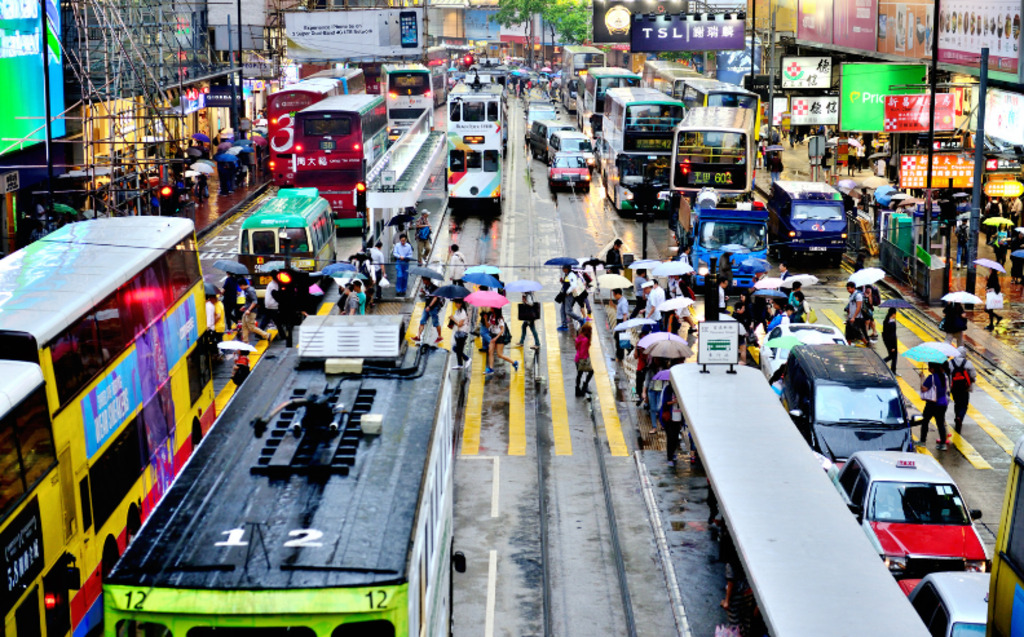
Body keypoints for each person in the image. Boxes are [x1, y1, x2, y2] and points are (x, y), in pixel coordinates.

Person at [919, 362, 950, 451]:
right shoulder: (944, 376)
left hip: (932, 403)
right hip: (942, 403)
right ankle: (943, 444)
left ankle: (922, 441)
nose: (928, 369)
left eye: (929, 368)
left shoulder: (931, 377)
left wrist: (921, 379)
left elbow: (924, 388)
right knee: (940, 424)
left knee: (925, 421)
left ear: (933, 369)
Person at [949, 347, 976, 436]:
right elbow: (973, 375)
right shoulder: (968, 363)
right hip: (965, 388)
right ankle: (960, 417)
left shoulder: (951, 363)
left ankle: (957, 416)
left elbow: (948, 374)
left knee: (957, 403)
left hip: (954, 387)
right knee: (964, 404)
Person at [238, 279, 269, 343]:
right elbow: (249, 301)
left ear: (243, 285)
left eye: (240, 286)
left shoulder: (250, 291)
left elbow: (255, 301)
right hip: (247, 310)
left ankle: (266, 335)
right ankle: (245, 341)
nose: (240, 288)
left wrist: (249, 309)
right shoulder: (246, 290)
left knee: (251, 327)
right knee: (244, 326)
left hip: (251, 312)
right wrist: (244, 307)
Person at [661, 382, 684, 467]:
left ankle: (673, 453)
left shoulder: (681, 390)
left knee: (675, 438)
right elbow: (664, 403)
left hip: (678, 418)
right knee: (670, 438)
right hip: (669, 418)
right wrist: (674, 401)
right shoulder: (668, 389)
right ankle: (669, 458)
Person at [414, 278, 444, 343]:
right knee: (422, 321)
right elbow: (428, 295)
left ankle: (439, 336)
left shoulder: (434, 287)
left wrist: (430, 306)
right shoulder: (426, 286)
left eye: (424, 280)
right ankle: (418, 337)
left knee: (435, 323)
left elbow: (435, 298)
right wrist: (423, 292)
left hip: (433, 308)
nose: (423, 281)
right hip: (427, 307)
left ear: (427, 280)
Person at [558, 264, 585, 331]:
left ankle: (581, 320)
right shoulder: (567, 275)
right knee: (562, 310)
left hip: (569, 295)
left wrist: (568, 292)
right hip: (565, 294)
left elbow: (573, 286)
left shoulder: (571, 275)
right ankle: (564, 325)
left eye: (563, 267)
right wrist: (562, 282)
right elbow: (567, 284)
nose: (562, 269)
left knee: (568, 311)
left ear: (567, 268)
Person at [845, 282, 869, 346]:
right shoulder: (851, 295)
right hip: (851, 317)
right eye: (847, 289)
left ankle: (866, 343)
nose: (848, 290)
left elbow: (859, 307)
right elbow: (850, 306)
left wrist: (854, 317)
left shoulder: (858, 295)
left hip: (857, 318)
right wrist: (849, 317)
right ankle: (848, 345)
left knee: (857, 333)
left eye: (849, 288)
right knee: (848, 333)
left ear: (853, 288)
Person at [450, 299, 471, 370]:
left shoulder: (463, 313)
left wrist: (453, 319)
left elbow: (460, 324)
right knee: (457, 349)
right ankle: (460, 364)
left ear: (461, 304)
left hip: (462, 333)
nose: (456, 304)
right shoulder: (458, 311)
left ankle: (467, 359)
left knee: (457, 349)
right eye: (456, 303)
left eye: (457, 303)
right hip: (458, 333)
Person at [574, 323, 594, 397]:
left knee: (579, 374)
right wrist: (585, 360)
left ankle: (577, 390)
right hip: (582, 360)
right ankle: (584, 386)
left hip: (577, 359)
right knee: (591, 372)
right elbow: (583, 351)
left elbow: (577, 347)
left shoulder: (579, 337)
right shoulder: (585, 340)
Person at [612, 288, 630, 360]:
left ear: (618, 294)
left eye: (614, 295)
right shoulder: (620, 301)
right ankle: (628, 349)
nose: (614, 297)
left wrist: (623, 325)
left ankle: (620, 355)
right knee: (617, 337)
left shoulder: (623, 302)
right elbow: (619, 310)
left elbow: (625, 314)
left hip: (622, 321)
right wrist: (613, 305)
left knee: (620, 338)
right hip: (619, 321)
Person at [881, 308, 899, 374]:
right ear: (893, 314)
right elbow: (892, 335)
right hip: (892, 343)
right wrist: (893, 347)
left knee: (892, 356)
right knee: (893, 356)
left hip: (888, 342)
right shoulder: (891, 323)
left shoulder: (886, 321)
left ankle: (893, 370)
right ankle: (882, 362)